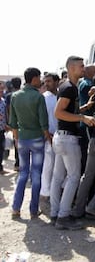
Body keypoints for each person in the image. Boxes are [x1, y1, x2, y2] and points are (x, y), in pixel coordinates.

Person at [50, 56, 95, 230]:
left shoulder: (68, 86)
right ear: (71, 68)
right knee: (73, 177)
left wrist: (84, 108)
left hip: (61, 137)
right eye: (81, 66)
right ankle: (63, 217)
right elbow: (59, 112)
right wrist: (82, 117)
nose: (83, 68)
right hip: (67, 139)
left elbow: (68, 110)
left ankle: (55, 213)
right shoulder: (69, 88)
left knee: (58, 177)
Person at [9, 68, 51, 220]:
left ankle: (15, 208)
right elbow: (43, 122)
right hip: (37, 139)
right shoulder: (38, 97)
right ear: (34, 79)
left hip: (22, 139)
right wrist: (48, 137)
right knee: (36, 174)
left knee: (22, 173)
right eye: (39, 77)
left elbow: (13, 121)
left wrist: (16, 138)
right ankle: (33, 210)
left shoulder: (15, 96)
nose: (40, 80)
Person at [72, 71, 95, 220]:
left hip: (93, 139)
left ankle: (77, 209)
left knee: (87, 177)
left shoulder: (94, 96)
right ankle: (92, 207)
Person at [39, 72, 60, 217]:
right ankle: (45, 196)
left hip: (62, 137)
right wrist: (46, 135)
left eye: (49, 81)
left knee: (58, 169)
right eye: (45, 81)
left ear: (57, 82)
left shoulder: (61, 96)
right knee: (48, 166)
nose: (46, 84)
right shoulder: (44, 98)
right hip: (49, 137)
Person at [5, 77, 22, 171]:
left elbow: (8, 110)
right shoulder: (22, 94)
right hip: (22, 121)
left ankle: (17, 163)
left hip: (13, 121)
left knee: (16, 141)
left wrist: (9, 122)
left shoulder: (8, 96)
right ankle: (20, 163)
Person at [0, 82, 7, 175]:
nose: (1, 91)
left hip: (2, 129)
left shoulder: (3, 100)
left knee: (1, 148)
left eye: (2, 89)